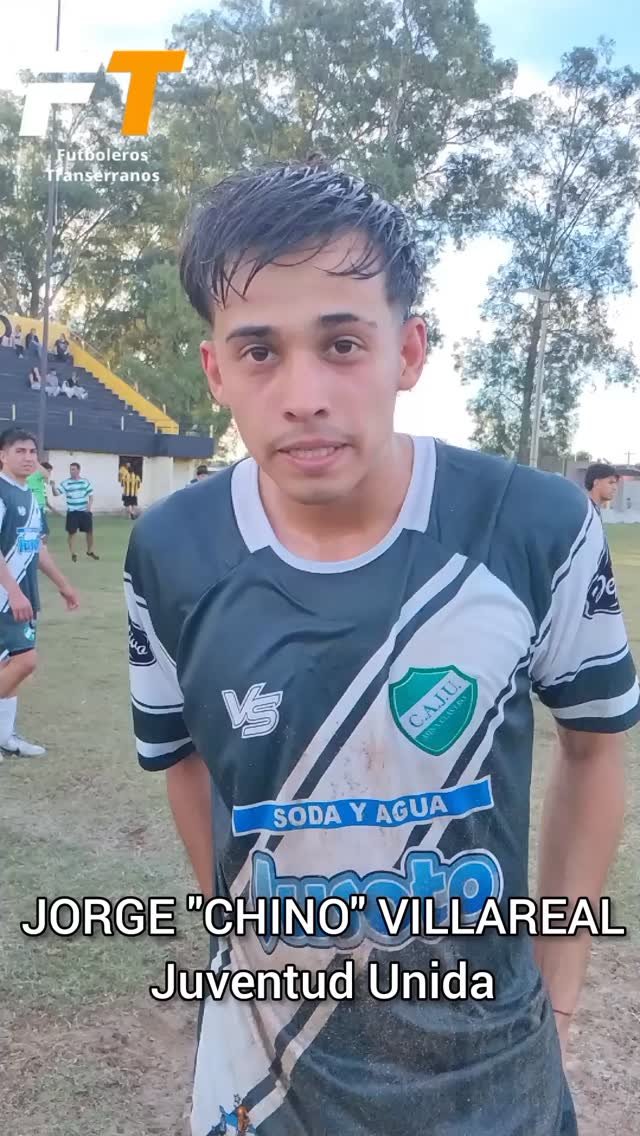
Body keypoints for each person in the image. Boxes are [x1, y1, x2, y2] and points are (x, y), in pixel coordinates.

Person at [124, 163, 640, 1136]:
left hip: (492, 1057)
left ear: (408, 350)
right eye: (259, 351)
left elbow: (592, 748)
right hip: (265, 1065)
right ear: (215, 372)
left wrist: (560, 991)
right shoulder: (171, 551)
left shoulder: (534, 525)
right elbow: (183, 762)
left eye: (342, 343)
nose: (304, 395)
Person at [0, 429, 79, 753]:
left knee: (9, 667)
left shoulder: (29, 496)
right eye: (20, 451)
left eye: (32, 451)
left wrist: (63, 584)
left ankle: (5, 737)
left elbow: (35, 548)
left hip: (22, 595)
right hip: (6, 598)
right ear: (2, 455)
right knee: (25, 661)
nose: (28, 457)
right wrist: (13, 592)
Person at [53, 462, 99, 562]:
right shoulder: (66, 483)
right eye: (71, 469)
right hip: (72, 512)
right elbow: (56, 493)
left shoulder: (85, 482)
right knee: (72, 533)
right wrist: (53, 486)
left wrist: (89, 506)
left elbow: (91, 495)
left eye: (73, 469)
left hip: (84, 511)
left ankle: (90, 551)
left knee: (89, 532)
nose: (71, 471)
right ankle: (73, 553)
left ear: (78, 470)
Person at [27, 461, 54, 544]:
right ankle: (42, 549)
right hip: (37, 507)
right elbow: (46, 475)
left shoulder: (39, 480)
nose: (49, 473)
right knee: (44, 532)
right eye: (48, 471)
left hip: (37, 507)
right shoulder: (36, 475)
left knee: (37, 531)